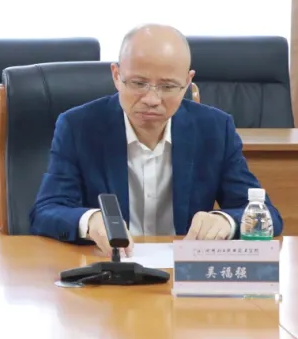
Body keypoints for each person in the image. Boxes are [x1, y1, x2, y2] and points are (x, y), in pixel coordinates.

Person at [30, 24, 283, 254]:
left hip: (182, 273)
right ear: (116, 76)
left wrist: (225, 221)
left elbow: (267, 214)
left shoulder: (215, 129)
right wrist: (90, 221)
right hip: (108, 271)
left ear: (187, 82)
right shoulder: (78, 127)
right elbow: (46, 211)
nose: (152, 99)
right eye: (139, 83)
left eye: (168, 86)